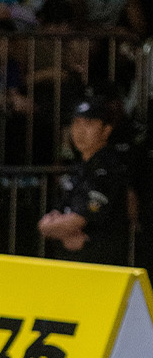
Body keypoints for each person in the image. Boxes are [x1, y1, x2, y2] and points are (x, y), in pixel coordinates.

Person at [39, 96, 130, 265]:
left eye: (88, 124)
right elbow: (54, 215)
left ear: (106, 130)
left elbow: (77, 221)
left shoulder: (108, 167)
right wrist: (51, 226)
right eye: (76, 123)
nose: (80, 131)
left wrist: (57, 227)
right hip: (73, 260)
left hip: (102, 262)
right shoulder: (80, 167)